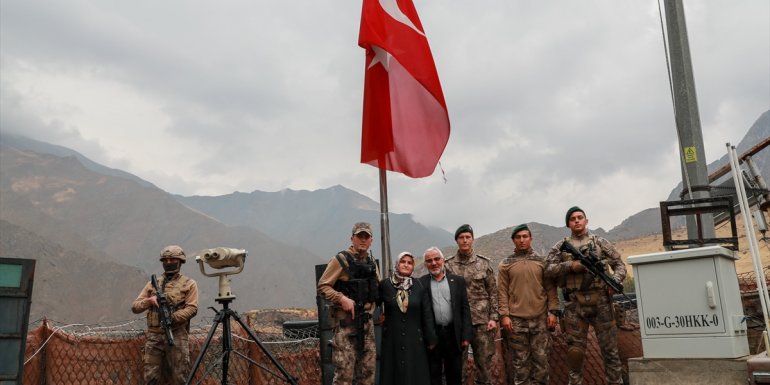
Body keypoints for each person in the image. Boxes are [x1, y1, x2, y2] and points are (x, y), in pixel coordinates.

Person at [545, 207, 627, 385]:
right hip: (575, 305)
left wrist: (615, 280)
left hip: (602, 303)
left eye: (580, 217)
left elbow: (620, 265)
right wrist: (571, 266)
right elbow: (548, 269)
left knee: (610, 353)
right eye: (573, 218)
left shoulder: (600, 242)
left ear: (586, 221)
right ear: (568, 224)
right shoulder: (561, 247)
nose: (577, 221)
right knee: (575, 354)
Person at [317, 222, 381, 385]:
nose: (363, 240)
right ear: (352, 238)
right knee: (344, 375)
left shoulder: (371, 263)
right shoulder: (340, 260)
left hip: (367, 324)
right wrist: (341, 299)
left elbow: (379, 288)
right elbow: (323, 286)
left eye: (366, 237)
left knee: (367, 374)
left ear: (371, 240)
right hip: (346, 324)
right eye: (359, 236)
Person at [498, 224, 559, 385]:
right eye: (518, 237)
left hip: (540, 319)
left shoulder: (542, 261)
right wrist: (504, 315)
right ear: (513, 240)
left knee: (541, 364)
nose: (522, 240)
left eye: (525, 236)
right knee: (521, 366)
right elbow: (502, 292)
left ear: (531, 238)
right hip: (516, 322)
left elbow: (551, 289)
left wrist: (553, 312)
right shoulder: (506, 264)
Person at [131, 245, 199, 385]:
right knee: (151, 377)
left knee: (180, 377)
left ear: (180, 261)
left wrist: (173, 318)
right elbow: (135, 307)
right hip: (154, 336)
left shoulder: (189, 284)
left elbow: (192, 308)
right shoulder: (152, 284)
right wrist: (149, 301)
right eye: (165, 260)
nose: (168, 263)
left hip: (177, 335)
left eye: (172, 259)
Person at [445, 224, 499, 385]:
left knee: (484, 366)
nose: (465, 240)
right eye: (461, 237)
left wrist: (493, 318)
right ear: (456, 240)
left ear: (473, 239)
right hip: (458, 324)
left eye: (468, 237)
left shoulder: (483, 264)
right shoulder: (448, 266)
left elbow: (493, 292)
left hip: (481, 323)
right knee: (457, 367)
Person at [379, 251, 438, 385]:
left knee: (415, 375)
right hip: (392, 340)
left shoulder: (419, 286)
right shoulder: (385, 285)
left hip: (415, 341)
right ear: (397, 264)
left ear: (413, 267)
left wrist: (431, 338)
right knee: (393, 374)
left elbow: (426, 314)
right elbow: (373, 303)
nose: (406, 265)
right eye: (403, 262)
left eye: (409, 263)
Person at [420, 247, 472, 385]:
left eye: (437, 259)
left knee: (454, 375)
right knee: (434, 375)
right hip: (433, 335)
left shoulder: (458, 281)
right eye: (429, 260)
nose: (434, 263)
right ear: (426, 264)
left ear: (443, 260)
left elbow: (465, 309)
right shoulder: (421, 283)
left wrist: (466, 336)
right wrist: (427, 338)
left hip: (453, 334)